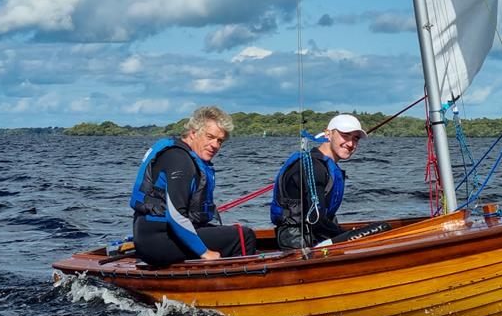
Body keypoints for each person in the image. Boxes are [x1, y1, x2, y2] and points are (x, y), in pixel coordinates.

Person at [130, 106, 256, 266]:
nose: (215, 145)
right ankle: (239, 286)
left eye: (220, 141)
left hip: (148, 235)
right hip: (159, 240)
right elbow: (176, 216)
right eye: (210, 137)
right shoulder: (181, 161)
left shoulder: (178, 153)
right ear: (193, 133)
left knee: (225, 232)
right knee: (243, 236)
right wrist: (205, 252)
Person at [271, 114, 381, 250]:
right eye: (345, 135)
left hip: (318, 236)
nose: (351, 144)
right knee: (381, 228)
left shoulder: (322, 165)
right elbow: (316, 219)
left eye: (355, 138)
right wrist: (347, 234)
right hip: (299, 244)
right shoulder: (314, 167)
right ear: (328, 134)